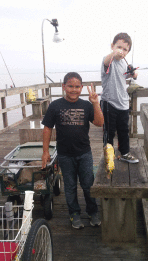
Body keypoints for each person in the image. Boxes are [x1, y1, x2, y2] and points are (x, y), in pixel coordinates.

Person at [42, 72, 104, 229]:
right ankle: (74, 214)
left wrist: (96, 103)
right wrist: (45, 152)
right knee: (69, 186)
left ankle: (92, 211)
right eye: (70, 86)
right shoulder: (55, 106)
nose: (74, 90)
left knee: (88, 184)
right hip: (64, 154)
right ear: (64, 87)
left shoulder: (86, 105)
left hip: (84, 153)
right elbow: (47, 128)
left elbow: (99, 122)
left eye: (77, 86)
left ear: (82, 88)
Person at [101, 32, 139, 163]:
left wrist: (134, 74)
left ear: (128, 52)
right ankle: (108, 157)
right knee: (109, 132)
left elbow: (127, 75)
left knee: (124, 131)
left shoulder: (124, 63)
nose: (121, 52)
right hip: (109, 102)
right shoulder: (108, 60)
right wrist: (113, 54)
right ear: (112, 46)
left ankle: (124, 153)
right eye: (119, 47)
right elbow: (106, 61)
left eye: (125, 49)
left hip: (123, 103)